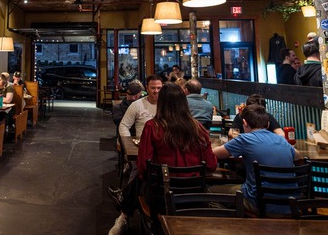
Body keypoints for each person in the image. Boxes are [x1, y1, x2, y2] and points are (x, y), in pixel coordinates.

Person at [109, 83, 217, 235]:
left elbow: (143, 167)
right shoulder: (199, 129)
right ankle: (123, 210)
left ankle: (124, 213)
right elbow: (211, 164)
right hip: (193, 198)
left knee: (138, 182)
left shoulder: (153, 127)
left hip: (161, 196)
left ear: (162, 103)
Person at [211, 104, 300, 216]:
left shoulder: (244, 139)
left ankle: (234, 226)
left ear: (244, 123)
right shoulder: (281, 140)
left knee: (210, 192)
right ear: (267, 124)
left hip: (259, 203)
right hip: (291, 205)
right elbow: (297, 156)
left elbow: (215, 153)